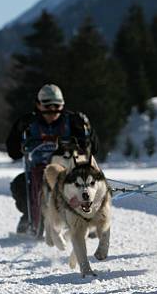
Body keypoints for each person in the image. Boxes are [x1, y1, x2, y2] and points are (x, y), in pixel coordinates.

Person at [6, 84, 99, 233]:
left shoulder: (72, 120)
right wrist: (18, 132)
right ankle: (30, 217)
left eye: (57, 106)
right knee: (19, 185)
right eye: (47, 106)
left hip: (68, 169)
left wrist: (86, 130)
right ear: (38, 105)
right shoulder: (29, 123)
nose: (52, 111)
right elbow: (13, 153)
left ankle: (87, 217)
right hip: (37, 169)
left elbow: (92, 149)